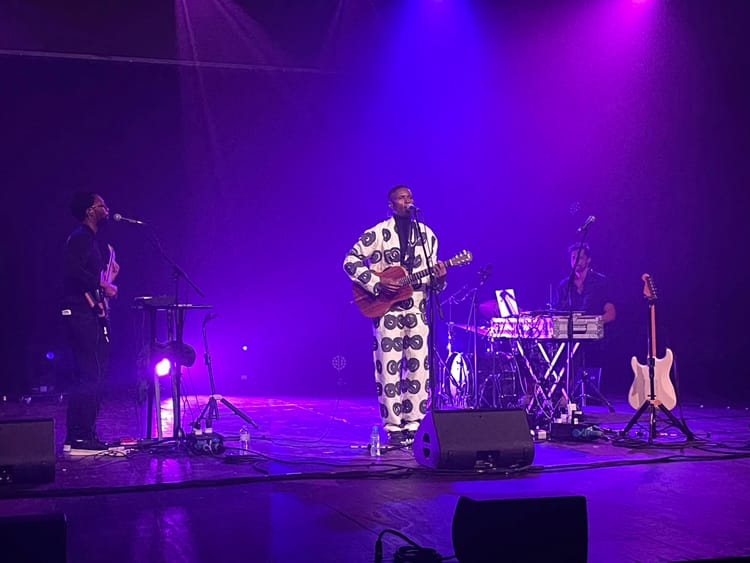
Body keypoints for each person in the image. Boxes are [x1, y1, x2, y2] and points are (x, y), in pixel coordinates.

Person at [343, 186, 447, 446]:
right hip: (386, 309)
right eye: (402, 198)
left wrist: (441, 278)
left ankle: (415, 423)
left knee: (418, 369)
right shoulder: (377, 233)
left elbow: (432, 279)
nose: (408, 201)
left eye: (410, 197)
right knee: (388, 369)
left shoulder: (427, 236)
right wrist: (376, 284)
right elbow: (350, 261)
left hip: (417, 310)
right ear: (391, 205)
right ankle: (393, 426)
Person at [61, 192, 119, 454]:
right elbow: (72, 273)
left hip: (87, 313)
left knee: (91, 373)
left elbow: (86, 277)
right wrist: (100, 284)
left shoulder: (88, 239)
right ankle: (80, 436)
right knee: (89, 374)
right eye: (101, 205)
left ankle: (80, 435)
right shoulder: (81, 237)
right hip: (78, 315)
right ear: (89, 211)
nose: (106, 209)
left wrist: (108, 278)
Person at [553, 242, 615, 408]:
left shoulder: (601, 282)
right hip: (567, 335)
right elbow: (557, 312)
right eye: (573, 258)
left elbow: (611, 313)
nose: (575, 261)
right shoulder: (564, 285)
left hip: (594, 336)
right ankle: (545, 394)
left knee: (575, 349)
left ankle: (565, 396)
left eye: (579, 257)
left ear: (588, 260)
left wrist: (592, 324)